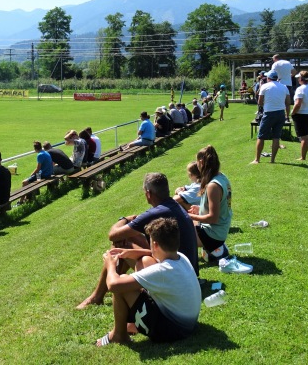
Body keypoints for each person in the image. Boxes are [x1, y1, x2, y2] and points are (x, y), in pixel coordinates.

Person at [77, 173, 199, 309]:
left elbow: (113, 235)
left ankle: (98, 295)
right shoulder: (174, 205)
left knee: (121, 242)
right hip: (187, 270)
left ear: (148, 193)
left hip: (174, 273)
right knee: (125, 240)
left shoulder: (156, 213)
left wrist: (124, 219)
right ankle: (104, 291)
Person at [95, 217, 201, 347]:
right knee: (145, 260)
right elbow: (151, 254)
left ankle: (118, 335)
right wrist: (129, 253)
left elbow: (113, 285)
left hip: (174, 330)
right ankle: (133, 325)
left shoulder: (163, 271)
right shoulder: (180, 257)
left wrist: (110, 265)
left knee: (121, 281)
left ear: (155, 244)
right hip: (186, 323)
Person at [187, 145, 232, 262]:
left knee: (177, 232)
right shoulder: (222, 177)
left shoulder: (213, 186)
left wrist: (189, 216)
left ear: (201, 162)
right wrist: (200, 209)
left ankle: (185, 265)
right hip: (219, 230)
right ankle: (215, 251)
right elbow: (221, 207)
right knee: (183, 224)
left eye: (197, 163)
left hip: (214, 235)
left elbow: (213, 218)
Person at [251, 70, 290, 164]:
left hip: (269, 113)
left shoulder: (264, 86)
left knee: (261, 136)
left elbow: (260, 102)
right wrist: (287, 114)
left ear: (268, 78)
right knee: (276, 137)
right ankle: (272, 160)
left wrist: (266, 104)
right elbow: (288, 102)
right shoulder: (284, 87)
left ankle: (257, 159)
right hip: (280, 113)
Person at [291, 71, 308, 160]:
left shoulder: (300, 89)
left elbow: (298, 103)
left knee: (304, 137)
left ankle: (303, 157)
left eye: (299, 78)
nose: (298, 79)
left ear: (301, 79)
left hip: (301, 114)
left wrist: (293, 112)